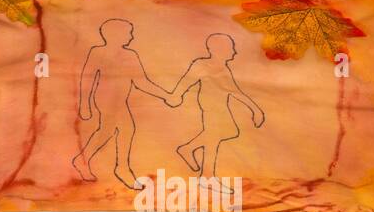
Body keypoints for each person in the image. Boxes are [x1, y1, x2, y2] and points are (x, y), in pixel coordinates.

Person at [75, 19, 177, 189]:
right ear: (115, 35)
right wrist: (84, 105)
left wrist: (165, 95)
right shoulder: (97, 52)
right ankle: (115, 167)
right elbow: (87, 79)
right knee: (115, 129)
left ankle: (91, 161)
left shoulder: (131, 55)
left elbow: (141, 82)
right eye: (128, 33)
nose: (131, 36)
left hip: (121, 99)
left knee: (116, 130)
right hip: (105, 99)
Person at [169, 34, 264, 190]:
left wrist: (255, 109)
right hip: (210, 106)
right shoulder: (202, 65)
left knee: (229, 131)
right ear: (219, 50)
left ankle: (187, 149)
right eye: (230, 48)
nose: (234, 52)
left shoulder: (223, 68)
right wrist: (177, 95)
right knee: (213, 139)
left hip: (221, 106)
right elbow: (187, 81)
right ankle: (207, 177)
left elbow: (234, 91)